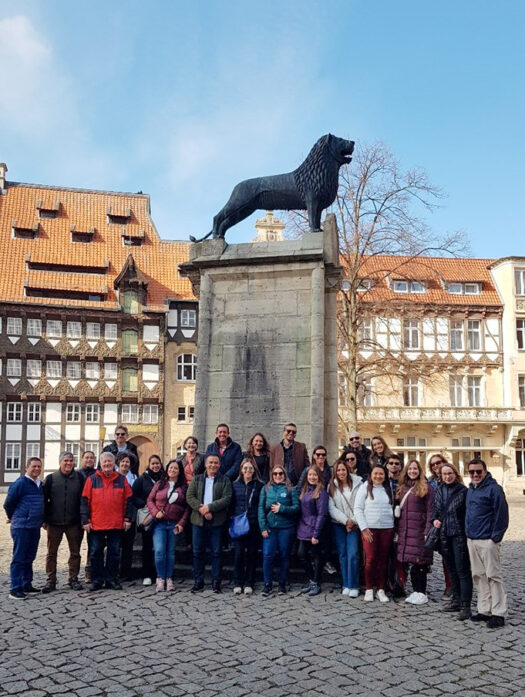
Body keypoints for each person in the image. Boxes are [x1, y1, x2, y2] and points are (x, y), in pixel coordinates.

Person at [465, 458, 509, 628]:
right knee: (479, 576)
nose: (475, 474)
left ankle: (498, 612)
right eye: (472, 472)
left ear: (485, 471)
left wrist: (494, 539)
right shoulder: (471, 490)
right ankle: (484, 609)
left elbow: (502, 515)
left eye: (478, 471)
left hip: (488, 541)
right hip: (473, 539)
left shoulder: (494, 489)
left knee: (493, 576)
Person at [80, 452, 133, 591]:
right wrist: (85, 520)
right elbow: (84, 501)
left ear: (114, 463)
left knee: (114, 553)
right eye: (105, 462)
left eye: (110, 462)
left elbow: (128, 500)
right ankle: (97, 580)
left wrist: (127, 519)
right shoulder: (92, 480)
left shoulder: (122, 480)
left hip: (116, 524)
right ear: (101, 464)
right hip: (96, 524)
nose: (107, 464)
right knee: (95, 552)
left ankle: (111, 579)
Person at [431, 462, 472, 620]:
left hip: (459, 534)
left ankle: (465, 605)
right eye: (444, 474)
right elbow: (436, 508)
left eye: (450, 473)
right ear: (440, 476)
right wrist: (434, 519)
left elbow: (468, 514)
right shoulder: (439, 490)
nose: (447, 476)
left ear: (455, 474)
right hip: (444, 535)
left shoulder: (463, 491)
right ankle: (455, 599)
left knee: (462, 570)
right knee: (451, 569)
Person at [186, 454, 232, 593]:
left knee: (217, 552)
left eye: (216, 463)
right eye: (210, 462)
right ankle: (198, 581)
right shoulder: (197, 479)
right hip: (198, 521)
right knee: (198, 552)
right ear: (206, 464)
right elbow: (190, 496)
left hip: (217, 521)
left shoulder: (225, 480)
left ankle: (216, 582)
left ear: (219, 465)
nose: (213, 465)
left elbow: (227, 498)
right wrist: (202, 509)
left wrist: (210, 507)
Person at [42, 451, 84, 593]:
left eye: (71, 461)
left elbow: (83, 500)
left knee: (75, 553)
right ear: (60, 462)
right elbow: (44, 500)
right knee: (51, 553)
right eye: (66, 460)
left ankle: (73, 579)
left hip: (74, 522)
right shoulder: (51, 479)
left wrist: (83, 519)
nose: (69, 463)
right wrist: (45, 520)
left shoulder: (79, 477)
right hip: (54, 523)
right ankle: (51, 580)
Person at [4, 457, 45, 599]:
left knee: (30, 556)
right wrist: (14, 516)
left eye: (39, 466)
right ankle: (15, 588)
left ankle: (27, 584)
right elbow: (8, 503)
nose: (36, 469)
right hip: (21, 525)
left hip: (34, 525)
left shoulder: (40, 484)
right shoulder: (20, 483)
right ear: (27, 468)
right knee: (19, 557)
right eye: (33, 466)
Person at [395, 459, 435, 605]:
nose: (412, 471)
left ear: (419, 471)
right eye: (410, 469)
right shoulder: (403, 487)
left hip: (419, 531)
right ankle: (416, 591)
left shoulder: (427, 488)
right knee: (412, 563)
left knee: (420, 563)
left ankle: (422, 592)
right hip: (406, 531)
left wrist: (427, 531)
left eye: (415, 469)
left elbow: (431, 511)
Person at [354, 465, 394, 603]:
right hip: (370, 529)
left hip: (387, 528)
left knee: (383, 560)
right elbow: (358, 508)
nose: (378, 476)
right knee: (370, 560)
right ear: (371, 475)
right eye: (375, 474)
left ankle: (381, 589)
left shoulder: (389, 489)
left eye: (381, 474)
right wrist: (363, 528)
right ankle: (369, 588)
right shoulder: (364, 487)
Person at [147, 459, 189, 592]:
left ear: (179, 471)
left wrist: (182, 523)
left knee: (170, 553)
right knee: (159, 551)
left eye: (175, 468)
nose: (173, 470)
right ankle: (160, 578)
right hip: (160, 523)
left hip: (174, 524)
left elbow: (187, 507)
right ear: (167, 469)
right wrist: (155, 513)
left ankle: (169, 578)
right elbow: (150, 500)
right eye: (170, 468)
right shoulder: (160, 484)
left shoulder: (183, 487)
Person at [258, 465, 300, 597]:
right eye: (275, 474)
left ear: (284, 474)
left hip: (285, 528)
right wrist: (263, 527)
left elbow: (296, 508)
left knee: (284, 556)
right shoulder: (266, 488)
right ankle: (267, 585)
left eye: (280, 473)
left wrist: (282, 509)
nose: (277, 476)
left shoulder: (290, 489)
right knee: (267, 555)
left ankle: (282, 584)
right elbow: (260, 508)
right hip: (270, 528)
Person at [328, 460, 363, 597]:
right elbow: (331, 508)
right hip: (339, 524)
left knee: (353, 554)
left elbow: (361, 504)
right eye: (338, 470)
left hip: (355, 524)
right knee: (342, 555)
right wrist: (345, 520)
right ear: (335, 473)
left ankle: (354, 585)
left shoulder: (358, 484)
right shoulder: (331, 486)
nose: (341, 473)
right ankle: (346, 583)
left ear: (348, 470)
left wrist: (352, 521)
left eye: (343, 470)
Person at [230, 459, 263, 595]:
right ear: (241, 470)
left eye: (250, 469)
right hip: (238, 524)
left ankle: (249, 582)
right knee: (238, 554)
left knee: (251, 554)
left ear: (254, 470)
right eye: (245, 468)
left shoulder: (259, 486)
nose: (248, 471)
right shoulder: (234, 485)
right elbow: (231, 505)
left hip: (253, 524)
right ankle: (237, 582)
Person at [132, 454, 164, 585]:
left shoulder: (165, 478)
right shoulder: (142, 479)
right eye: (153, 464)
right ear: (149, 465)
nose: (155, 466)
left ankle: (159, 574)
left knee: (160, 547)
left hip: (162, 517)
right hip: (148, 517)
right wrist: (143, 503)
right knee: (147, 546)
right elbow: (133, 496)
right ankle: (147, 574)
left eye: (157, 463)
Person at [297, 466, 329, 597]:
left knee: (316, 556)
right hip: (304, 528)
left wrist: (316, 533)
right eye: (310, 475)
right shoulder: (305, 490)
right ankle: (311, 580)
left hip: (315, 528)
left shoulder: (321, 492)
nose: (312, 477)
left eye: (315, 475)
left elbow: (322, 514)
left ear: (319, 477)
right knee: (301, 554)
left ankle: (316, 582)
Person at [426, 454, 452, 598]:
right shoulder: (430, 482)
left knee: (449, 556)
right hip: (435, 522)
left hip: (450, 522)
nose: (436, 466)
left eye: (438, 463)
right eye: (433, 464)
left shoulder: (451, 477)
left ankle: (451, 586)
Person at [115, 452, 137, 581]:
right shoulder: (113, 476)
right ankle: (114, 571)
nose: (125, 464)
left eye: (127, 462)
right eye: (122, 461)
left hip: (130, 515)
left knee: (128, 546)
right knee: (115, 545)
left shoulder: (134, 477)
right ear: (118, 463)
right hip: (115, 516)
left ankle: (126, 572)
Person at [270, 423, 310, 487]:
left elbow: (307, 466)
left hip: (297, 485)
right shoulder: (274, 448)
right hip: (279, 485)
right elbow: (271, 467)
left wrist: (302, 483)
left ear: (295, 435)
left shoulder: (301, 447)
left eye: (293, 432)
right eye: (288, 431)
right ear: (283, 432)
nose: (291, 433)